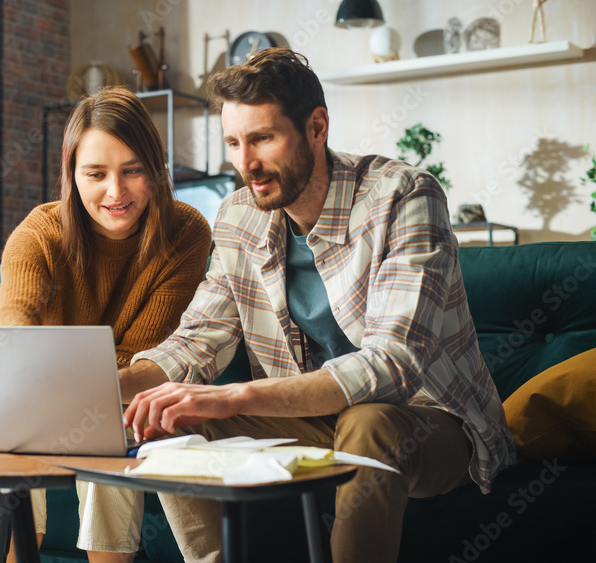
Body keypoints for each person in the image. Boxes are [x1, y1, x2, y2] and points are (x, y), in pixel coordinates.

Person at [121, 48, 516, 563]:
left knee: (369, 423)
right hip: (313, 420)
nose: (246, 164)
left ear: (317, 126)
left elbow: (393, 365)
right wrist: (107, 387)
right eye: (235, 143)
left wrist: (237, 396)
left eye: (263, 138)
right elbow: (199, 337)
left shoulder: (403, 196)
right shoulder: (239, 215)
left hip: (431, 421)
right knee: (176, 420)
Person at [0, 85, 211, 562]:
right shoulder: (41, 231)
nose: (115, 192)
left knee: (111, 435)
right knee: (10, 437)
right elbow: (13, 316)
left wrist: (67, 386)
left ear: (156, 170)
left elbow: (149, 354)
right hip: (40, 401)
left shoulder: (185, 232)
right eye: (96, 174)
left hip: (123, 396)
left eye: (133, 171)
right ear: (72, 175)